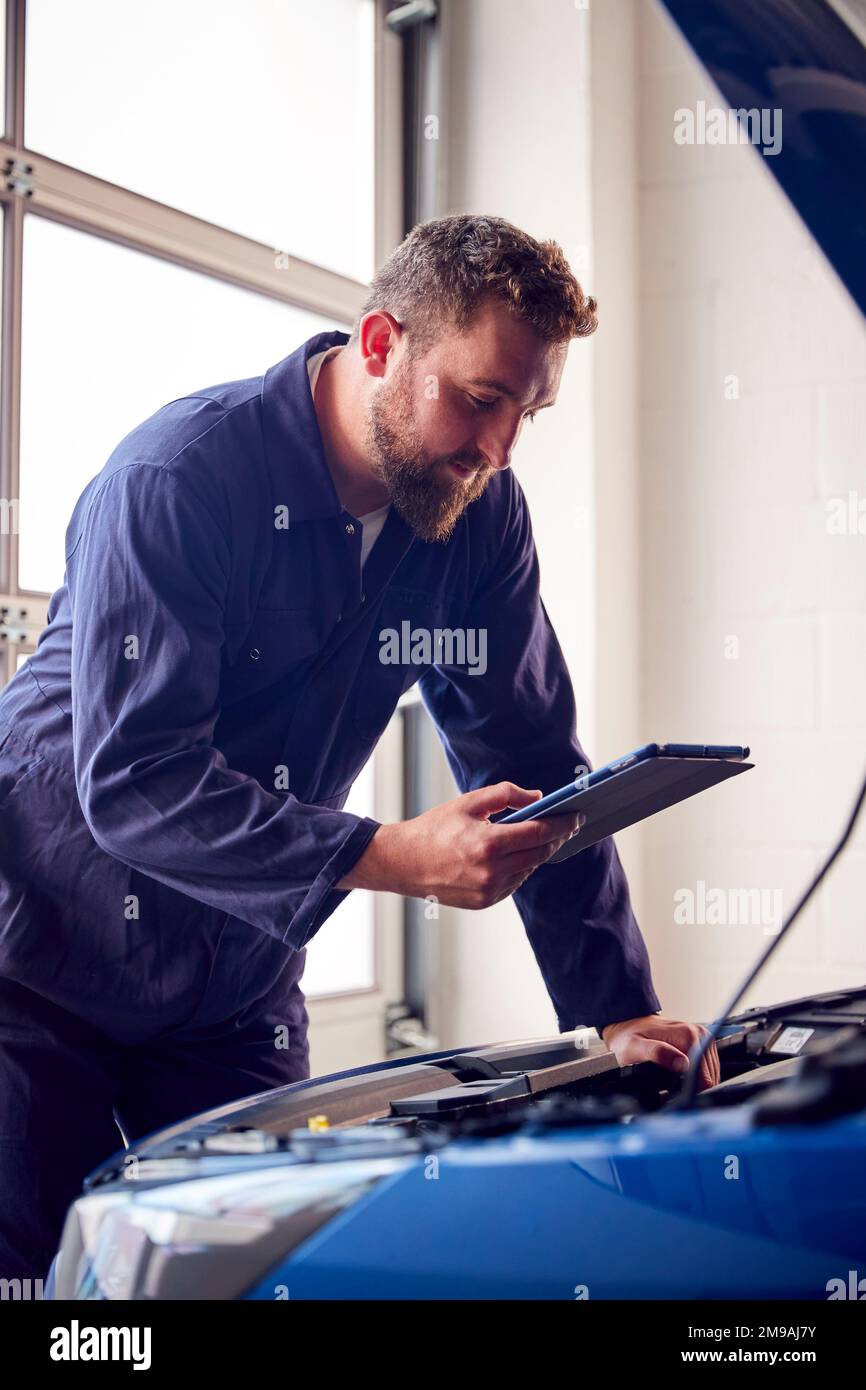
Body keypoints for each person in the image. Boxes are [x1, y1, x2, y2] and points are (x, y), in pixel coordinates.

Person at [0, 213, 719, 1282]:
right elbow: (136, 780)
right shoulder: (175, 479)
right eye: (478, 399)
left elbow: (531, 760)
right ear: (379, 345)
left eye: (527, 411)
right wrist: (390, 854)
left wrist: (617, 1011)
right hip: (41, 964)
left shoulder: (477, 519)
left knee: (272, 1273)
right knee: (54, 1302)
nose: (497, 448)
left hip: (232, 983)